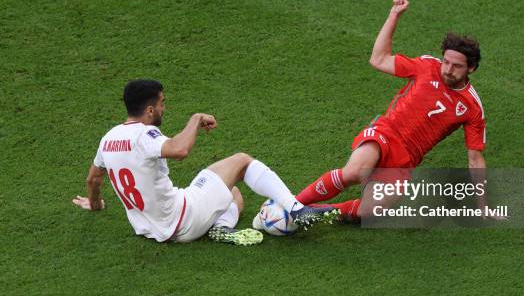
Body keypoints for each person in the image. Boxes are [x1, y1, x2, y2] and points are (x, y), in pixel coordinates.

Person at [296, 0, 504, 220]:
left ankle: (310, 214)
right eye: (446, 61)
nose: (448, 69)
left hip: (406, 159)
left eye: (457, 66)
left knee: (370, 212)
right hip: (385, 133)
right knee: (355, 172)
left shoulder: (472, 107)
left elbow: (475, 159)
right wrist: (394, 15)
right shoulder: (426, 66)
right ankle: (293, 204)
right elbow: (379, 59)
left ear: (471, 68)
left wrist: (483, 205)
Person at [73, 80, 338, 245]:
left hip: (151, 229)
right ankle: (296, 209)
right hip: (182, 217)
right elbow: (179, 150)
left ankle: (221, 228)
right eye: (162, 103)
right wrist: (196, 118)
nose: (164, 109)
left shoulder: (108, 139)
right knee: (242, 161)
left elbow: (93, 179)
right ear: (150, 109)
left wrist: (96, 204)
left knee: (233, 194)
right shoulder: (145, 134)